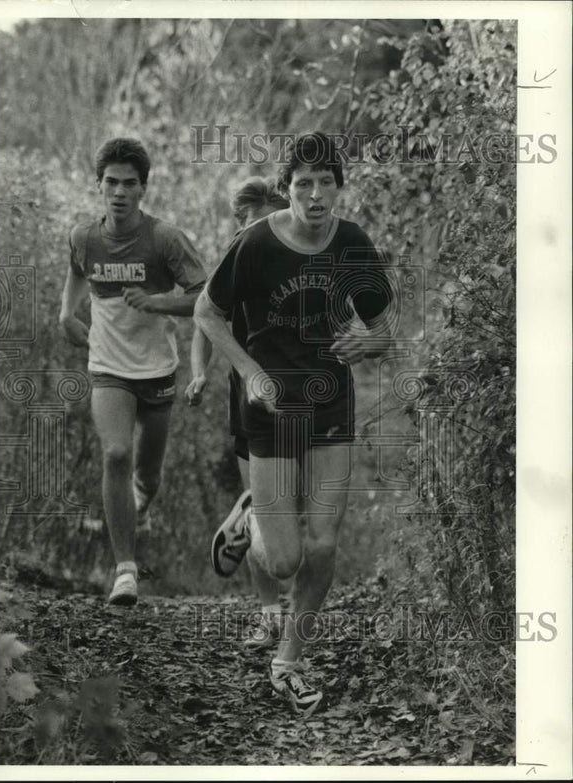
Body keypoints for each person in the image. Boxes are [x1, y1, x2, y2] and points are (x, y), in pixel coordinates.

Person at [194, 132, 394, 717]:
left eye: (325, 182)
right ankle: (255, 513)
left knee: (324, 544)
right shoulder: (255, 244)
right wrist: (251, 373)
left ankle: (289, 663)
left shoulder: (353, 244)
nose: (314, 194)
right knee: (282, 560)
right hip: (273, 410)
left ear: (338, 188)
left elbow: (381, 326)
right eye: (302, 184)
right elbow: (208, 312)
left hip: (331, 405)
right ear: (287, 190)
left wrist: (370, 340)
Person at [59, 137, 206, 606]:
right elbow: (77, 269)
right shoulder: (85, 236)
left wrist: (158, 300)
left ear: (143, 188)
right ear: (98, 185)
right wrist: (67, 312)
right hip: (107, 367)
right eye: (111, 183)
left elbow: (206, 299)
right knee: (116, 454)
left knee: (148, 476)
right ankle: (126, 570)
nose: (119, 192)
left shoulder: (165, 239)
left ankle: (139, 503)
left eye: (129, 183)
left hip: (158, 370)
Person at [184, 177, 292, 649]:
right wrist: (199, 373)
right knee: (259, 499)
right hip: (247, 388)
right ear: (239, 224)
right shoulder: (234, 258)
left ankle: (251, 513)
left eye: (269, 222)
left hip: (298, 385)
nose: (257, 233)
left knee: (296, 497)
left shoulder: (297, 256)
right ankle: (270, 614)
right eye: (250, 224)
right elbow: (204, 319)